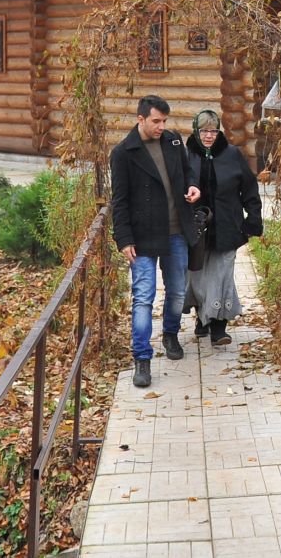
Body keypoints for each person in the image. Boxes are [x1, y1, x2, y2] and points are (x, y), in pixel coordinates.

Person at [109, 94, 201, 389]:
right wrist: (123, 239)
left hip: (176, 232)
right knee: (143, 298)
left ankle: (170, 334)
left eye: (164, 121)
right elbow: (119, 201)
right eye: (156, 121)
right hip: (143, 237)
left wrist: (192, 186)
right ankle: (142, 358)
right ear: (141, 119)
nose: (162, 126)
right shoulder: (124, 152)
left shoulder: (173, 141)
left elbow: (187, 172)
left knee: (176, 292)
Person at [183, 108, 262, 346]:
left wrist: (253, 221)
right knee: (196, 276)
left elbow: (249, 188)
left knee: (222, 276)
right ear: (196, 131)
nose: (209, 135)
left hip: (227, 226)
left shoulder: (232, 155)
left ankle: (219, 326)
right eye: (204, 130)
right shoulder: (186, 156)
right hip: (196, 228)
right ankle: (202, 317)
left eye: (213, 130)